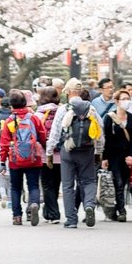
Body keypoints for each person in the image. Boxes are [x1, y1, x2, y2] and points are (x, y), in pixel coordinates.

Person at [45, 89, 104, 228]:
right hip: (87, 151)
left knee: (67, 186)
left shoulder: (63, 109)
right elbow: (100, 132)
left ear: (69, 93)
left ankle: (71, 219)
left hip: (68, 151)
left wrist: (49, 153)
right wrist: (99, 152)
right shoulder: (92, 109)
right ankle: (89, 205)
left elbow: (55, 132)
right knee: (89, 180)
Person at [0, 90, 47, 226]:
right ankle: (34, 205)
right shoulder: (33, 118)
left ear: (11, 106)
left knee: (15, 187)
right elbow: (42, 134)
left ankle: (17, 216)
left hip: (15, 160)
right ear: (25, 103)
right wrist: (44, 147)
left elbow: (4, 144)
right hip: (34, 158)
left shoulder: (9, 121)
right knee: (33, 185)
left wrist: (2, 162)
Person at [101, 89, 132, 222]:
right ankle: (121, 211)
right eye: (123, 99)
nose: (126, 101)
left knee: (124, 182)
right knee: (117, 181)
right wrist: (104, 157)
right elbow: (105, 138)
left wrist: (130, 155)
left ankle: (118, 208)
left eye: (127, 98)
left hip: (127, 155)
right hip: (113, 155)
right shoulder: (109, 117)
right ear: (116, 101)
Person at [36, 87, 62, 224]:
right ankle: (48, 211)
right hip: (60, 155)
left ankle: (53, 213)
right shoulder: (62, 112)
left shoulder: (39, 114)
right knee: (56, 183)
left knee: (46, 184)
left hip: (45, 154)